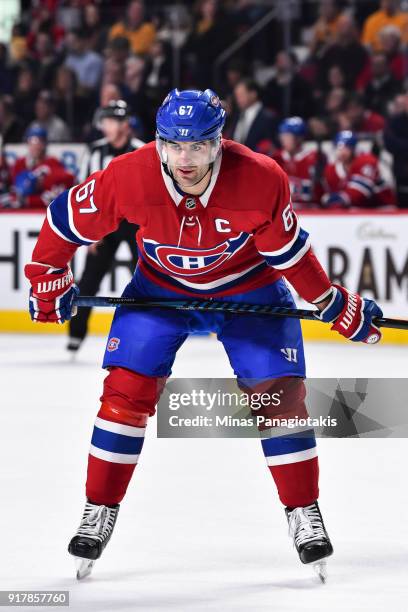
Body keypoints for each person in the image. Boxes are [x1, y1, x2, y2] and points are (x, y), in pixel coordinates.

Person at [24, 88, 383, 580]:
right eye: (174, 145)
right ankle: (99, 508)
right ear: (158, 142)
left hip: (250, 291)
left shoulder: (260, 177)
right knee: (124, 394)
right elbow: (63, 222)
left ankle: (302, 511)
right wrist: (47, 274)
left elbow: (288, 255)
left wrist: (329, 300)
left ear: (219, 142)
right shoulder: (130, 175)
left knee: (279, 399)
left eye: (198, 146)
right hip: (161, 290)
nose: (185, 158)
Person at [67, 100, 144, 353]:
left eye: (111, 121)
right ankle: (76, 333)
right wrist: (90, 232)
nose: (106, 126)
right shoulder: (94, 151)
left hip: (136, 224)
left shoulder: (142, 150)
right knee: (89, 279)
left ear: (124, 124)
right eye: (105, 121)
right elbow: (83, 193)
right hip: (106, 225)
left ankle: (150, 330)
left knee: (145, 278)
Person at [322, 130, 396, 208]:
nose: (342, 152)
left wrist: (339, 199)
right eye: (339, 148)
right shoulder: (331, 169)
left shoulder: (367, 161)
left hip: (382, 209)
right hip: (358, 210)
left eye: (346, 148)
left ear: (353, 149)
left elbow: (359, 193)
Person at [11, 127, 74, 209]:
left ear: (45, 144)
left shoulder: (53, 163)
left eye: (39, 143)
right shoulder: (20, 163)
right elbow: (14, 190)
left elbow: (58, 194)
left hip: (43, 211)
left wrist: (29, 200)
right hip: (20, 212)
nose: (35, 147)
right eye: (32, 143)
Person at [273, 117, 326, 208]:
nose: (283, 139)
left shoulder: (314, 159)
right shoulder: (276, 158)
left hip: (309, 211)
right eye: (282, 135)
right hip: (283, 213)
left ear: (299, 138)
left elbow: (319, 193)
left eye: (287, 135)